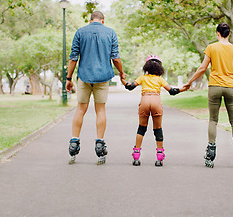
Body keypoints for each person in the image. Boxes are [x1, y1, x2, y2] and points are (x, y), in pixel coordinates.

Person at [66, 11, 126, 165]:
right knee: (100, 110)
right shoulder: (110, 33)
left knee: (80, 109)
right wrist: (121, 73)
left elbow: (73, 58)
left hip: (84, 77)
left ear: (90, 20)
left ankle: (74, 143)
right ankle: (99, 145)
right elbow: (116, 57)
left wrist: (68, 78)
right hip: (103, 77)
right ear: (103, 21)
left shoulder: (80, 32)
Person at [183, 23, 233, 169]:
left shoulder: (211, 48)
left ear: (217, 33)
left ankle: (210, 154)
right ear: (229, 34)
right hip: (231, 87)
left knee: (213, 119)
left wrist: (189, 82)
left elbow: (202, 68)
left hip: (215, 87)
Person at [121, 55, 185, 167]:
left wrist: (123, 80)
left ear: (147, 67)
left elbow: (130, 87)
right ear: (159, 68)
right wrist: (183, 88)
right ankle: (159, 157)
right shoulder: (160, 79)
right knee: (158, 129)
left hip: (145, 100)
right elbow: (172, 91)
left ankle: (136, 156)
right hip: (156, 101)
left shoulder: (142, 78)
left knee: (141, 128)